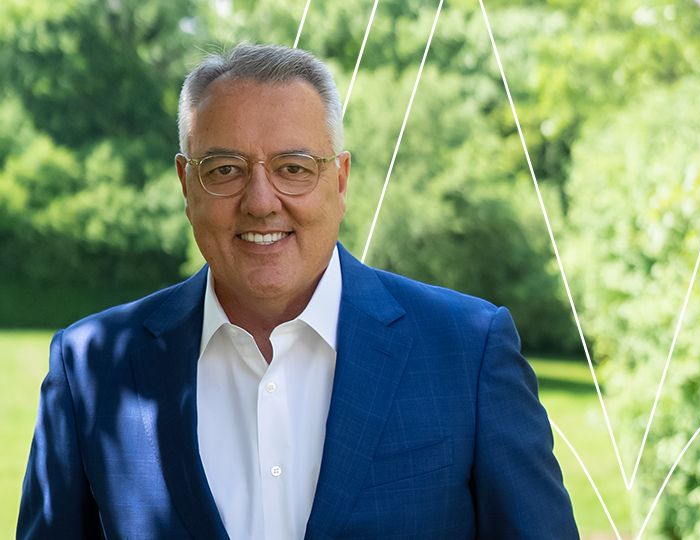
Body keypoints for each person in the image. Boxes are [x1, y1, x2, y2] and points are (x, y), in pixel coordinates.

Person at [17, 43, 579, 539]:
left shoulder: (468, 351)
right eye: (224, 169)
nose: (261, 201)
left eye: (293, 167)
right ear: (186, 185)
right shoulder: (90, 369)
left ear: (340, 180)